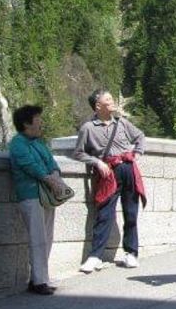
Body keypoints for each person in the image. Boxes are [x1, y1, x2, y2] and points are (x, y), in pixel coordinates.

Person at [74, 89, 147, 273]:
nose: (113, 102)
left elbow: (140, 137)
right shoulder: (88, 128)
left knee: (131, 213)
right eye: (108, 99)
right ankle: (95, 256)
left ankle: (131, 253)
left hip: (128, 169)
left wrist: (137, 153)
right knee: (104, 215)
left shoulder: (121, 122)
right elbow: (79, 152)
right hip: (108, 173)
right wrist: (97, 162)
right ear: (98, 105)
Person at [8, 105, 61, 296]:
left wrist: (54, 174)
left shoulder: (39, 143)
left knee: (47, 237)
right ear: (26, 123)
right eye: (37, 118)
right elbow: (28, 165)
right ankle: (39, 281)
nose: (41, 122)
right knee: (38, 238)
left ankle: (39, 277)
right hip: (30, 195)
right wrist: (49, 178)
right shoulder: (17, 144)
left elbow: (51, 162)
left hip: (46, 195)